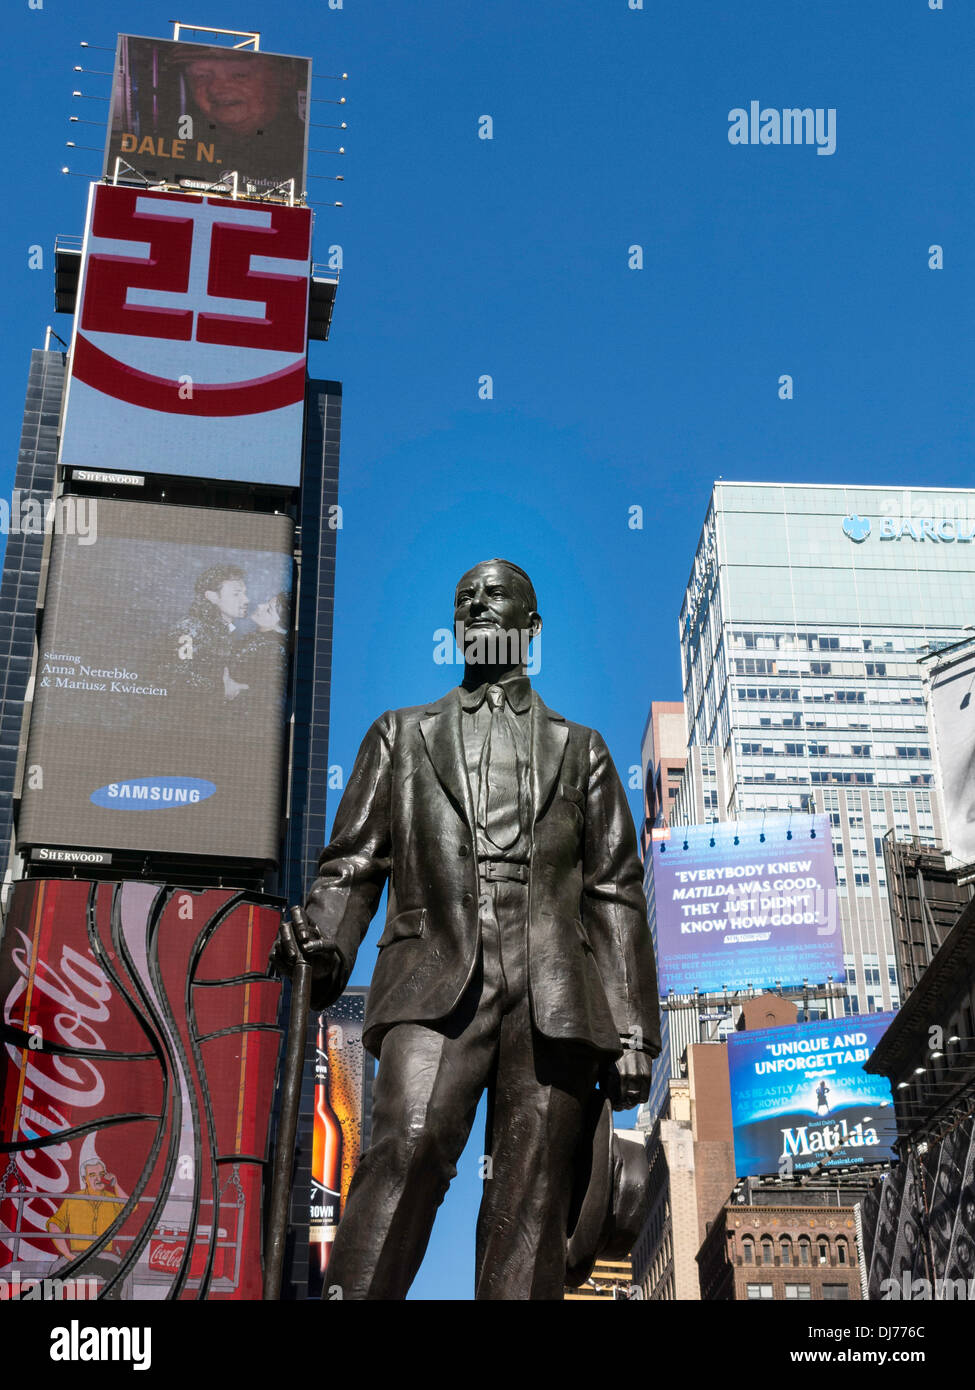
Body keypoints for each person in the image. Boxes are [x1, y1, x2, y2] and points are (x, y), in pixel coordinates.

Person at [273, 559, 660, 1300]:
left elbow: (614, 893)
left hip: (555, 994)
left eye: (495, 596)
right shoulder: (400, 735)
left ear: (531, 627)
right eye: (464, 600)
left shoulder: (582, 751)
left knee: (531, 1195)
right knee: (408, 1145)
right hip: (434, 979)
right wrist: (324, 945)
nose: (477, 606)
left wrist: (633, 1031)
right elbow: (352, 865)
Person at [162, 563, 249, 703]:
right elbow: (172, 676)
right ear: (212, 597)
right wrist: (221, 690)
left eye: (244, 593)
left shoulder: (226, 629)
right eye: (236, 594)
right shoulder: (190, 629)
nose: (246, 600)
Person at [223, 592, 289, 712]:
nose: (259, 606)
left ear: (281, 627)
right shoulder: (254, 636)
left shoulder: (274, 650)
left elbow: (271, 694)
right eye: (266, 603)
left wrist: (237, 689)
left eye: (269, 610)